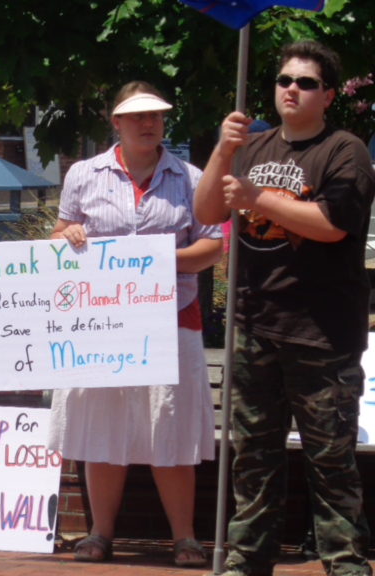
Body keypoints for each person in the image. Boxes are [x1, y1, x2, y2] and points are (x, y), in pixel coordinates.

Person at [194, 40, 374, 576]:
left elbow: (332, 224)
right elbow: (207, 209)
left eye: (306, 82)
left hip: (322, 333)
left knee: (330, 463)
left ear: (329, 95)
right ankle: (247, 562)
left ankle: (345, 565)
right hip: (255, 325)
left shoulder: (345, 151)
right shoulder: (252, 147)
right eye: (284, 80)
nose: (292, 89)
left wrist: (257, 198)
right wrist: (223, 152)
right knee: (253, 459)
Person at [47, 81, 223, 566]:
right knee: (103, 428)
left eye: (157, 115)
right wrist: (69, 234)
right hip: (100, 326)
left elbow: (212, 245)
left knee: (171, 427)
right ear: (117, 122)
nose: (149, 124)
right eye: (138, 116)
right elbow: (58, 235)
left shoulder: (191, 177)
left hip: (172, 322)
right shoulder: (83, 175)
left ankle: (185, 538)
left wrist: (160, 260)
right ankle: (100, 534)